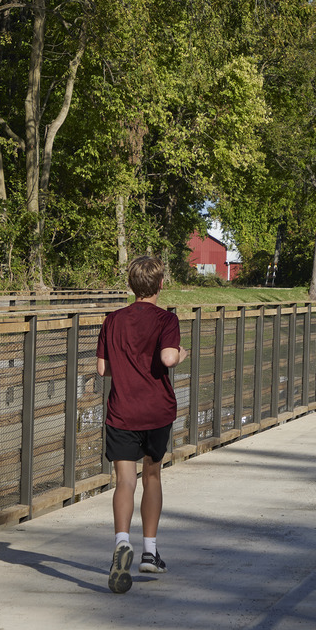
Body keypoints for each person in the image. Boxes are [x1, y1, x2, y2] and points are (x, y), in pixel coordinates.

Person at [96, 255, 189, 594]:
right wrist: (180, 353)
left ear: (131, 286)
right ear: (161, 285)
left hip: (122, 411)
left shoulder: (112, 320)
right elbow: (167, 358)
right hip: (156, 412)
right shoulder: (167, 320)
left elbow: (102, 370)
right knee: (152, 475)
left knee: (124, 480)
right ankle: (149, 552)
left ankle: (122, 542)